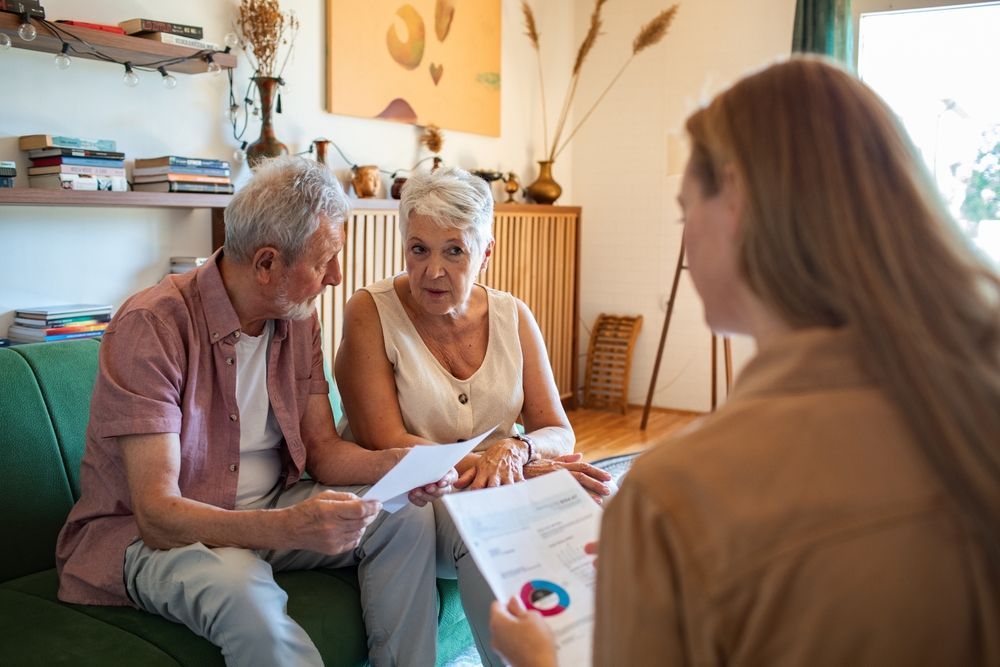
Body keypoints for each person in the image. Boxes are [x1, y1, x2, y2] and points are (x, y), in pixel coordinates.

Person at [489, 56, 1000, 665]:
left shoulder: (679, 498)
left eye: (685, 212)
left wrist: (540, 659)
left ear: (735, 198)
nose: (685, 238)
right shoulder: (971, 400)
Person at [55, 156, 459, 667]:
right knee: (242, 593)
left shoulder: (296, 320)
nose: (336, 277)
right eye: (324, 261)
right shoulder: (151, 326)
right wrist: (291, 527)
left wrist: (408, 468)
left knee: (407, 519)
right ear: (266, 264)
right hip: (160, 537)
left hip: (271, 505)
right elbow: (157, 515)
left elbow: (324, 453)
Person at [334, 166, 613, 664]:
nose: (433, 270)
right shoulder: (369, 312)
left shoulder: (513, 315)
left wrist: (519, 449)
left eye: (454, 251)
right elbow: (386, 442)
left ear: (486, 253)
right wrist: (518, 470)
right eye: (419, 249)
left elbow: (556, 430)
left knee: (594, 506)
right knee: (492, 525)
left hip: (489, 483)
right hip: (413, 497)